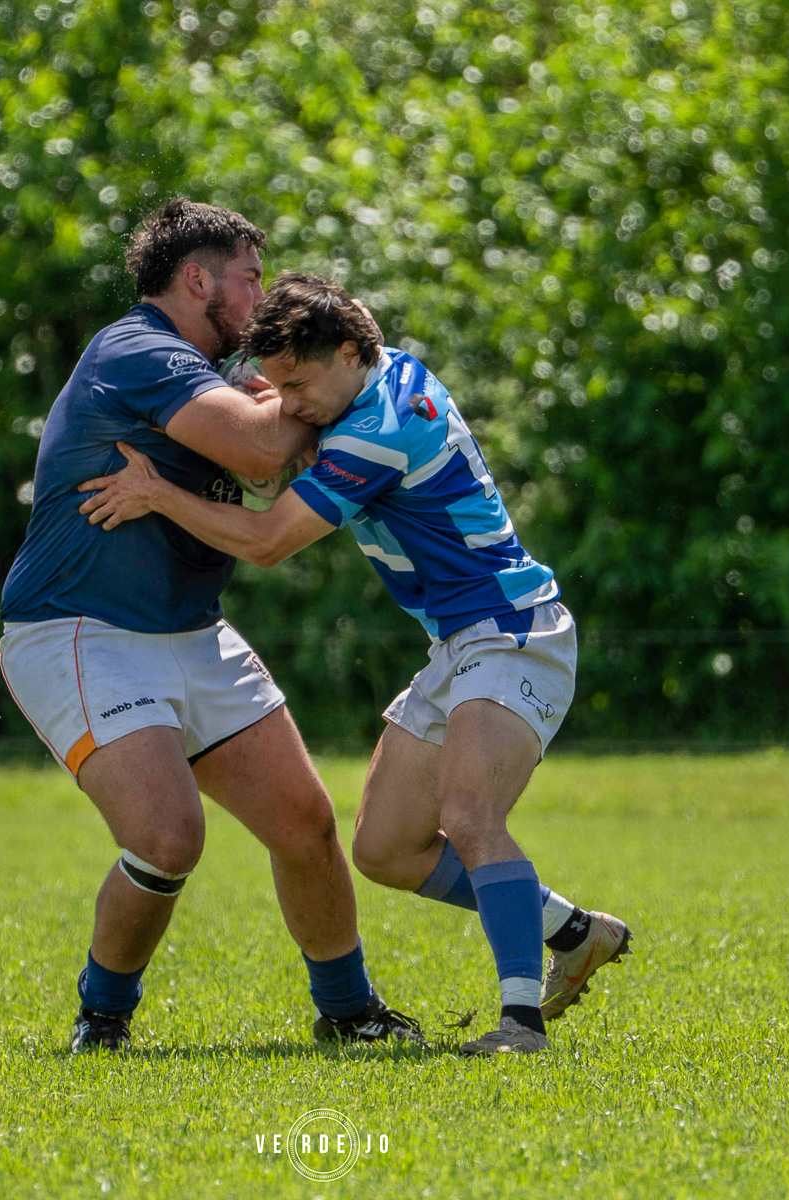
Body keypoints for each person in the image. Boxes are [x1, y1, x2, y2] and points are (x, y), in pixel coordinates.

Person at [77, 272, 631, 1056]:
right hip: (460, 644)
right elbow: (304, 383)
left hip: (515, 631)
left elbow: (269, 540)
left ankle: (521, 1025)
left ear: (346, 354)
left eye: (298, 386)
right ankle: (571, 932)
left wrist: (156, 492)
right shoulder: (374, 367)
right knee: (384, 849)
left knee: (470, 817)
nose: (289, 404)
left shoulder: (378, 428)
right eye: (277, 386)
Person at [0, 202, 423, 1052]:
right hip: (78, 631)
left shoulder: (214, 370)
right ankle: (101, 1020)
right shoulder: (139, 352)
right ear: (198, 280)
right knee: (168, 836)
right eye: (249, 278)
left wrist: (290, 394)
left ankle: (349, 1014)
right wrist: (329, 387)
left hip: (189, 632)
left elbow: (277, 443)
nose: (260, 296)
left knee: (305, 823)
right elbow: (267, 453)